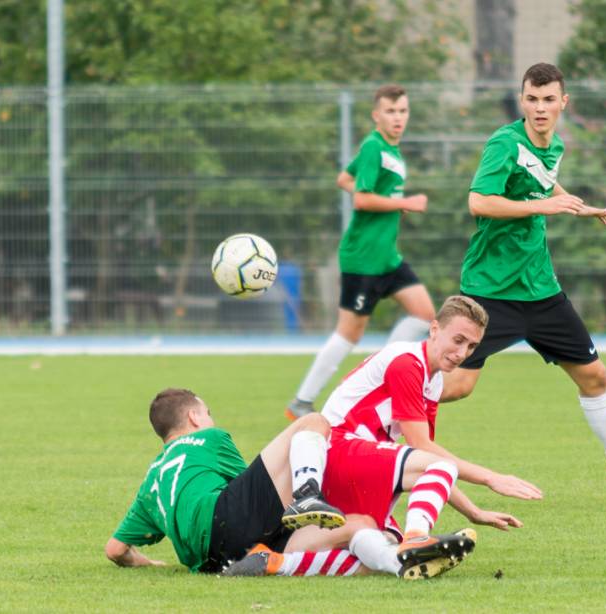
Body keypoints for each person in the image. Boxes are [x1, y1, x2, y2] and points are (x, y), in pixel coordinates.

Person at [440, 63, 606, 493]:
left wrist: (572, 203)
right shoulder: (505, 143)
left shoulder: (554, 146)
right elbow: (479, 202)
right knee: (458, 386)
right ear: (522, 101)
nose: (540, 108)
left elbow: (541, 182)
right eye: (532, 100)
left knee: (593, 376)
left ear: (563, 103)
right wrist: (542, 208)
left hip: (541, 290)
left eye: (549, 99)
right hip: (490, 290)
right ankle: (376, 417)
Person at [106, 389, 472, 580]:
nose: (211, 418)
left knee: (362, 528)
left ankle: (399, 563)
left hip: (219, 561)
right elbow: (255, 487)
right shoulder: (210, 439)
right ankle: (307, 494)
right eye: (208, 412)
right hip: (230, 519)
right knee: (312, 421)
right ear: (194, 416)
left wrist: (150, 563)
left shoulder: (150, 483)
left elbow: (115, 550)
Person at [320, 295, 543, 562]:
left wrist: (474, 512)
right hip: (338, 449)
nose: (462, 353)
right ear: (435, 329)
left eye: (472, 346)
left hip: (358, 461)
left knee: (382, 545)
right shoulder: (407, 363)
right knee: (438, 471)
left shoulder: (433, 381)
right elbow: (424, 449)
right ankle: (417, 539)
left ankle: (282, 562)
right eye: (458, 340)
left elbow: (428, 463)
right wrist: (490, 478)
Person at [286, 84, 435, 419]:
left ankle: (382, 375)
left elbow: (344, 179)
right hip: (363, 259)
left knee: (425, 314)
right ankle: (302, 401)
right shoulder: (374, 148)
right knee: (349, 332)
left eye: (403, 111)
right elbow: (361, 198)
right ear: (376, 115)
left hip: (387, 258)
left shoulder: (391, 149)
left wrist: (393, 201)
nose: (398, 118)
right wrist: (403, 202)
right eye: (391, 112)